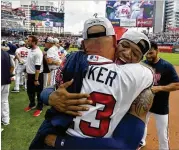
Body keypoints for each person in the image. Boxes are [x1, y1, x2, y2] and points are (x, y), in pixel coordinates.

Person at [30, 17, 153, 149]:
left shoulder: (76, 61)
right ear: (116, 42)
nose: (127, 53)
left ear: (140, 60)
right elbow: (53, 89)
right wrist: (50, 96)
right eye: (125, 45)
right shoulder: (143, 77)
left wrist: (60, 142)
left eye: (135, 53)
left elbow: (124, 144)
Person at [138, 41, 179, 149]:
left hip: (161, 105)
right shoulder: (143, 65)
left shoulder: (167, 66)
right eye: (147, 53)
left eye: (151, 53)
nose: (148, 56)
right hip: (145, 103)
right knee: (142, 125)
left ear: (157, 51)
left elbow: (177, 85)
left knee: (162, 133)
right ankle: (141, 141)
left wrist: (160, 88)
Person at [24, 35, 44, 117]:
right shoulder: (30, 50)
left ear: (34, 42)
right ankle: (32, 104)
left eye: (29, 41)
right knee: (30, 91)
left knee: (39, 93)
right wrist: (26, 72)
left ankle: (39, 108)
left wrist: (36, 79)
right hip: (30, 75)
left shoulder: (38, 52)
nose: (27, 42)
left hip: (37, 75)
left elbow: (38, 67)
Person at [1, 49, 15, 128]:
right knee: (4, 101)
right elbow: (12, 66)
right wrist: (9, 75)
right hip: (6, 80)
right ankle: (6, 120)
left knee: (4, 101)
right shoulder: (6, 54)